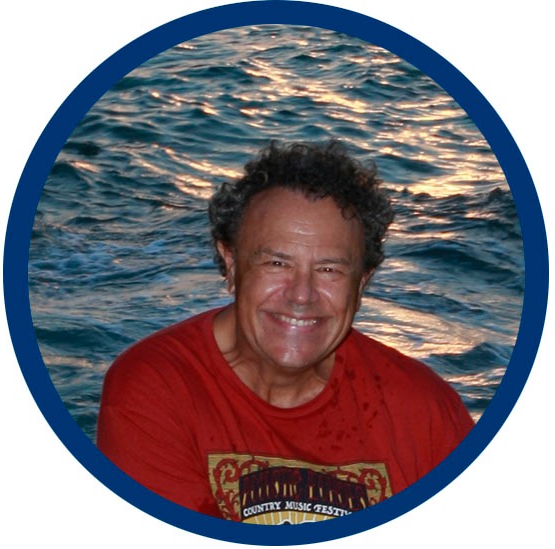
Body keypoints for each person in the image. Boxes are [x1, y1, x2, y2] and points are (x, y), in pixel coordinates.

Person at [97, 141, 474, 525]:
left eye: (329, 270)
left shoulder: (426, 412)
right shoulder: (157, 390)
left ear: (362, 284)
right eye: (277, 263)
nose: (301, 295)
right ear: (231, 264)